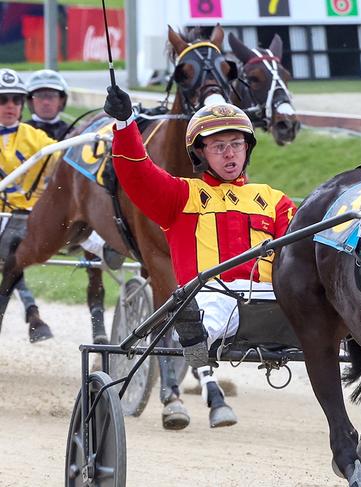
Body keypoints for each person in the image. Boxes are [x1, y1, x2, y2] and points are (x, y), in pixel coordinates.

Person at [104, 85, 296, 427]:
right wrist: (124, 123)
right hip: (212, 298)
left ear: (247, 149)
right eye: (219, 147)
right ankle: (193, 343)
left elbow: (298, 255)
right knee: (201, 311)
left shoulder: (275, 200)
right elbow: (136, 172)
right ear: (200, 153)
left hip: (271, 300)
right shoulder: (179, 196)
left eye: (236, 144)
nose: (229, 154)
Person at [25, 69, 124, 271]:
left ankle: (96, 298)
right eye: (40, 96)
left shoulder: (78, 133)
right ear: (30, 101)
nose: (45, 102)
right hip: (30, 201)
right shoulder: (22, 132)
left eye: (51, 96)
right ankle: (103, 245)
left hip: (66, 203)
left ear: (61, 100)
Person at [0, 68, 56, 342]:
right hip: (6, 223)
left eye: (16, 100)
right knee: (12, 245)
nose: (10, 106)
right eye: (3, 100)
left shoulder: (36, 139)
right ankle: (32, 311)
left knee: (13, 243)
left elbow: (64, 163)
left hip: (31, 221)